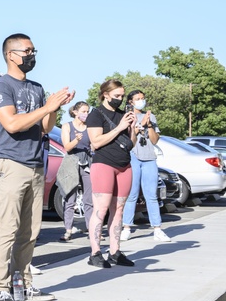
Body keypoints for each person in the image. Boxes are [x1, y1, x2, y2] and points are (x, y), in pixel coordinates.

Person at [0, 34, 74, 301]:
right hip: (10, 165)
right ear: (11, 55)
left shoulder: (36, 87)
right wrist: (46, 107)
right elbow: (11, 124)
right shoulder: (1, 86)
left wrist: (54, 108)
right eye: (27, 50)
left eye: (33, 50)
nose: (32, 55)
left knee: (30, 231)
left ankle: (23, 283)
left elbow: (46, 127)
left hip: (36, 165)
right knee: (7, 228)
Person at [85, 80, 136, 268]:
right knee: (101, 209)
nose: (120, 99)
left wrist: (132, 129)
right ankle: (95, 252)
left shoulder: (123, 115)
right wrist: (120, 127)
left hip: (124, 165)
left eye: (122, 96)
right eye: (116, 96)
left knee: (119, 210)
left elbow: (132, 144)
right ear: (105, 95)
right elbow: (96, 142)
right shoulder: (96, 114)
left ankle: (115, 251)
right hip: (104, 164)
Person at [121, 90, 172, 243]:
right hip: (133, 158)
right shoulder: (127, 117)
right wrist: (139, 126)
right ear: (130, 101)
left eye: (143, 98)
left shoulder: (151, 116)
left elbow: (155, 140)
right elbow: (130, 140)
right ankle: (126, 228)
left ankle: (157, 229)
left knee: (151, 195)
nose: (141, 101)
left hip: (149, 158)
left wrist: (149, 126)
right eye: (138, 99)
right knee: (132, 195)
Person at [59, 101, 95, 241]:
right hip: (71, 162)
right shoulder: (67, 126)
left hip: (87, 162)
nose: (86, 114)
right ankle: (68, 230)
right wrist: (76, 140)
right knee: (70, 198)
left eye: (87, 111)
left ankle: (92, 230)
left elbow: (93, 145)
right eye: (83, 111)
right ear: (75, 112)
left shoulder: (89, 127)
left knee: (89, 198)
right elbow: (67, 147)